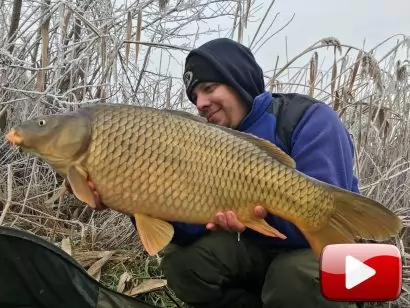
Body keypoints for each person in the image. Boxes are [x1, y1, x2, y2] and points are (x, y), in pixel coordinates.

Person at [75, 38, 360, 308]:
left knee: (292, 277)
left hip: (318, 251)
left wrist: (252, 217)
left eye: (209, 88)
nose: (200, 103)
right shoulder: (204, 143)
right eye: (195, 97)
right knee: (184, 262)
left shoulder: (307, 118)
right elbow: (187, 231)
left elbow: (321, 218)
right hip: (259, 248)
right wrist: (129, 196)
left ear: (240, 81)